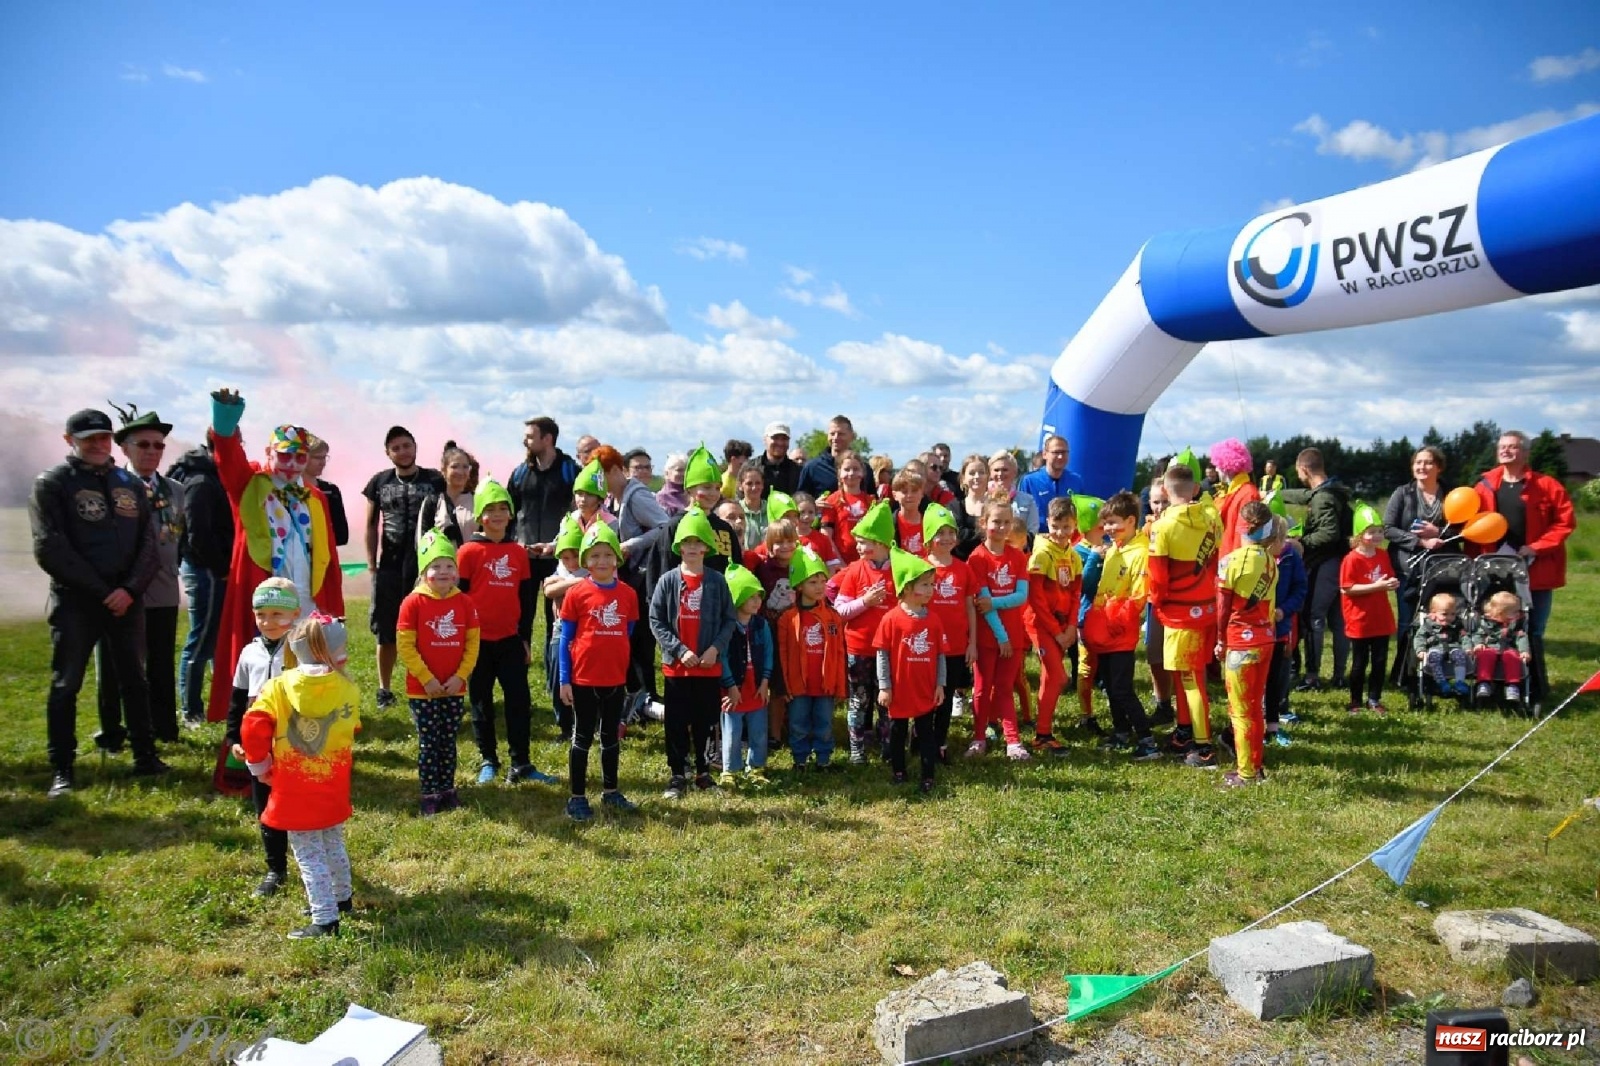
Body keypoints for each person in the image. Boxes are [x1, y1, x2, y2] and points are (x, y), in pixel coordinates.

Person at [31, 408, 165, 796]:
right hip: (77, 601)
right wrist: (102, 591)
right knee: (66, 683)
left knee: (134, 680)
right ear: (69, 440)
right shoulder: (53, 483)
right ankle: (63, 768)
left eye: (104, 437)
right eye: (89, 438)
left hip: (126, 599)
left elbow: (148, 545)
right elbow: (49, 547)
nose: (98, 444)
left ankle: (145, 757)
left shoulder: (129, 483)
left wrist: (129, 590)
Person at [206, 391, 344, 725]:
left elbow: (327, 556)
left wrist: (332, 605)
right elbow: (227, 456)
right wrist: (226, 416)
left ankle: (306, 727)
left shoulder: (314, 497)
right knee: (266, 664)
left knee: (309, 658)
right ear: (269, 453)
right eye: (284, 456)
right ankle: (261, 732)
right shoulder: (251, 484)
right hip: (267, 594)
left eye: (299, 457)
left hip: (307, 595)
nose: (292, 464)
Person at [239, 613, 361, 939]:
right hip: (333, 783)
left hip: (294, 788)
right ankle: (342, 898)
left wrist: (259, 766)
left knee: (308, 855)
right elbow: (353, 727)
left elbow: (253, 727)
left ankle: (325, 918)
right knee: (332, 842)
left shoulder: (278, 686)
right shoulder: (347, 687)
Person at [458, 476, 556, 787]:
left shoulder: (517, 553)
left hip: (510, 641)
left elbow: (526, 601)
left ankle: (522, 762)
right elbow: (458, 599)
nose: (498, 515)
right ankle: (489, 759)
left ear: (511, 513)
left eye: (503, 508)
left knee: (518, 702)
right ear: (480, 516)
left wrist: (525, 639)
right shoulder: (468, 552)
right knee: (481, 701)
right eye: (491, 510)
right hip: (478, 642)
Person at [96, 407, 184, 746]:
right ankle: (114, 731)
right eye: (143, 444)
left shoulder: (174, 489)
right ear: (125, 449)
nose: (151, 452)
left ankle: (163, 727)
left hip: (163, 588)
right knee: (116, 664)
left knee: (161, 662)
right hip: (123, 589)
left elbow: (178, 534)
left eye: (158, 446)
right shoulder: (111, 485)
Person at [557, 522, 642, 820]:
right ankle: (577, 797)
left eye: (608, 554)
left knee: (610, 737)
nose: (602, 561)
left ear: (617, 558)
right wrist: (564, 679)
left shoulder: (628, 595)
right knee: (582, 737)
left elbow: (626, 632)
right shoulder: (576, 593)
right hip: (582, 680)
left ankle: (611, 791)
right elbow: (566, 638)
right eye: (594, 556)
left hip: (614, 679)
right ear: (584, 561)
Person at [649, 508, 735, 799]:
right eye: (687, 542)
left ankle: (703, 771)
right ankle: (677, 773)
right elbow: (656, 621)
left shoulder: (717, 581)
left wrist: (714, 649)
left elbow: (728, 620)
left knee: (706, 720)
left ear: (707, 547)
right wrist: (678, 650)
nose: (693, 548)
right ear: (679, 547)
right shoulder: (667, 581)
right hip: (677, 667)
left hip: (708, 666)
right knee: (676, 721)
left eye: (699, 543)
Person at [223, 578, 300, 897]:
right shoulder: (248, 653)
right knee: (265, 807)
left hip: (294, 743)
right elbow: (237, 699)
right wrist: (233, 738)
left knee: (297, 804)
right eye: (262, 615)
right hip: (258, 746)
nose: (269, 622)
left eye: (277, 615)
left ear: (295, 614)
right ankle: (275, 868)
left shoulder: (301, 648)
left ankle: (313, 863)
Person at [397, 531, 481, 814]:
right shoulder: (412, 603)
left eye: (449, 566)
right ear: (424, 571)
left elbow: (472, 643)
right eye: (436, 566)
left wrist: (461, 676)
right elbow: (406, 646)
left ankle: (447, 788)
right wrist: (427, 679)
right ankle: (429, 792)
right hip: (423, 690)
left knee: (448, 741)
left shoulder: (465, 603)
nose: (443, 572)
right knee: (429, 742)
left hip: (454, 687)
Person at [1470, 430, 1576, 655]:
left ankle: (1534, 683)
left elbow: (1564, 524)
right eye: (1502, 447)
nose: (1506, 450)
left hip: (1535, 568)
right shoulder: (1484, 486)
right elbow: (1469, 523)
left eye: (1512, 446)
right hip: (1493, 567)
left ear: (1525, 453)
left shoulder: (1547, 485)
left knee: (1534, 628)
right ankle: (1495, 678)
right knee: (1493, 623)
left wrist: (1535, 548)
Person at [365, 425, 447, 708]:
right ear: (388, 453)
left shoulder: (435, 480)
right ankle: (384, 689)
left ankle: (426, 685)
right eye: (396, 448)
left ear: (415, 446)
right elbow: (370, 524)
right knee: (386, 630)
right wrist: (371, 565)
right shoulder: (379, 482)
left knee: (426, 628)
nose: (403, 451)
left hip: (425, 567)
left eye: (406, 445)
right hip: (389, 565)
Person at [1147, 463, 1220, 769]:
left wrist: (1156, 603)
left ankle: (1203, 747)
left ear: (1165, 490)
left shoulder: (1162, 526)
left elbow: (1157, 578)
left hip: (1178, 613)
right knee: (1184, 673)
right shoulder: (1212, 516)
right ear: (1195, 489)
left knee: (1191, 680)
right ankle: (1184, 730)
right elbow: (1216, 560)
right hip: (1207, 608)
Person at [1082, 491, 1161, 761]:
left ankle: (1148, 740)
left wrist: (1117, 622)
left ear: (1130, 521)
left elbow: (1139, 597)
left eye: (1114, 523)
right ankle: (1121, 731)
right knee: (1109, 685)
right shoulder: (1116, 548)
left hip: (1120, 633)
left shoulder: (1139, 553)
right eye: (1106, 524)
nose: (1108, 529)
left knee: (1122, 688)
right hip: (1104, 630)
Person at [168, 439, 233, 728]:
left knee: (216, 639)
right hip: (205, 570)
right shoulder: (201, 481)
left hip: (212, 569)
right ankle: (191, 708)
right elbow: (197, 534)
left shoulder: (210, 475)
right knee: (202, 639)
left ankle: (221, 700)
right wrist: (221, 569)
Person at [827, 500, 898, 764]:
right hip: (859, 648)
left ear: (882, 542)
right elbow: (840, 610)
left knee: (887, 701)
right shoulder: (855, 570)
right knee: (859, 701)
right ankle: (857, 750)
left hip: (889, 649)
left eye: (865, 541)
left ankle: (888, 748)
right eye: (857, 541)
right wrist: (865, 602)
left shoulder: (900, 570)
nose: (859, 547)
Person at [1215, 501, 1278, 788]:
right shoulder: (1270, 561)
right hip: (1266, 639)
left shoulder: (1231, 561)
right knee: (1255, 709)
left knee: (1240, 711)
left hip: (1240, 642)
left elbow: (1222, 609)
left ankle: (1246, 774)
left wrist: (1219, 640)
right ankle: (1256, 764)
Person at [966, 499, 1032, 760]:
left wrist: (994, 601)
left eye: (1007, 522)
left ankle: (1013, 741)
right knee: (982, 689)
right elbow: (983, 607)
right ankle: (979, 737)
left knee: (1005, 687)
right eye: (996, 522)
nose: (1002, 527)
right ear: (984, 524)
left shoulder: (1017, 557)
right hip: (987, 637)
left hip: (1014, 636)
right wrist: (1000, 636)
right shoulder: (977, 558)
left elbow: (1021, 597)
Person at [875, 548, 945, 793]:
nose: (930, 590)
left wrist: (940, 684)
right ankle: (899, 770)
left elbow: (940, 654)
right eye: (924, 585)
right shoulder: (891, 619)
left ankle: (928, 775)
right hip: (899, 690)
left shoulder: (934, 619)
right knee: (898, 732)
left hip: (925, 689)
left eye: (932, 585)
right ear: (906, 588)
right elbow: (882, 654)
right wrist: (884, 686)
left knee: (926, 733)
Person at [1284, 447, 1353, 692]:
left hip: (1325, 563)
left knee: (1314, 618)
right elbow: (1307, 495)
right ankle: (1339, 675)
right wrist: (1277, 494)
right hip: (1340, 562)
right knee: (1337, 622)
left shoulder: (1323, 498)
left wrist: (1300, 542)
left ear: (1304, 469)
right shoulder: (1332, 491)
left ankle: (1312, 677)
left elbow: (1328, 533)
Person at [1382, 445, 1456, 670]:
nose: (1422, 467)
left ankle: (1436, 667)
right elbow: (1387, 528)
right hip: (1407, 569)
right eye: (1418, 462)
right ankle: (1403, 670)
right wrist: (1421, 542)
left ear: (1439, 467)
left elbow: (1464, 530)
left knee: (1439, 619)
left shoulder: (1452, 495)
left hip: (1442, 570)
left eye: (1428, 462)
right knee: (1407, 620)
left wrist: (1440, 533)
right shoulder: (1402, 493)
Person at [775, 546, 847, 771]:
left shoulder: (833, 617)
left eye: (822, 581)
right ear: (799, 586)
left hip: (824, 685)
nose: (819, 587)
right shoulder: (788, 618)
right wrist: (785, 684)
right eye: (812, 582)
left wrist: (840, 685)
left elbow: (839, 652)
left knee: (824, 724)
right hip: (798, 686)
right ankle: (800, 759)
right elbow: (783, 653)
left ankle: (823, 759)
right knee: (798, 724)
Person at [509, 416, 580, 639]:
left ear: (547, 438)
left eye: (530, 436)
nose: (525, 441)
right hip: (525, 554)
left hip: (559, 554)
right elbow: (509, 510)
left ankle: (556, 657)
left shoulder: (570, 471)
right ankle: (522, 657)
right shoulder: (521, 473)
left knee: (557, 612)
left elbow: (579, 509)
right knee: (522, 611)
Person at [1025, 497, 1082, 755]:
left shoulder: (1074, 556)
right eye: (1056, 526)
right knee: (1059, 677)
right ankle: (1042, 731)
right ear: (1048, 522)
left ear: (1075, 526)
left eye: (1066, 527)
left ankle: (1043, 734)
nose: (1060, 533)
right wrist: (1058, 632)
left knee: (1050, 678)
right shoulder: (1041, 554)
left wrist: (1071, 627)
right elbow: (1036, 600)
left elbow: (1074, 595)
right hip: (1041, 625)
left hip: (1061, 627)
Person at [923, 503, 977, 763]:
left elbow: (969, 608)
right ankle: (921, 737)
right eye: (939, 533)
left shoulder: (963, 568)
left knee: (944, 699)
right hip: (925, 646)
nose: (946, 538)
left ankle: (940, 742)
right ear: (928, 537)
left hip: (955, 646)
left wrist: (972, 643)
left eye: (950, 532)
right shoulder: (919, 567)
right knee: (924, 696)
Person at [718, 564, 774, 787]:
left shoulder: (762, 625)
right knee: (732, 731)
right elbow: (721, 657)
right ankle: (730, 769)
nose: (756, 602)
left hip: (756, 687)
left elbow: (769, 653)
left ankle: (756, 767)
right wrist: (730, 686)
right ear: (737, 598)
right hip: (734, 690)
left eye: (758, 596)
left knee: (759, 730)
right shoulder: (727, 628)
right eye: (750, 597)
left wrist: (765, 681)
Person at [1339, 507, 1399, 715]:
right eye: (1371, 532)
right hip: (1360, 619)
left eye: (1380, 531)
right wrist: (1378, 586)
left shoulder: (1382, 555)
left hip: (1381, 618)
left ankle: (1374, 699)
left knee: (1380, 661)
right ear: (1359, 535)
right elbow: (1348, 588)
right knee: (1359, 662)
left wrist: (1391, 582)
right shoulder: (1351, 559)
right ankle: (1355, 700)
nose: (1377, 536)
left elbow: (1387, 577)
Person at [541, 516, 588, 738]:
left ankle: (584, 721)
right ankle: (564, 725)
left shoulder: (591, 570)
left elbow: (553, 589)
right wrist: (579, 582)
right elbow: (548, 590)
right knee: (558, 675)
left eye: (575, 556)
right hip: (561, 629)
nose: (571, 562)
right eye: (565, 557)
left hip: (585, 632)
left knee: (583, 678)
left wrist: (562, 587)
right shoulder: (568, 573)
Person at [1265, 517, 1307, 746]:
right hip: (1255, 631)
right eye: (1278, 540)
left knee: (1277, 679)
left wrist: (1285, 610)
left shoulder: (1291, 557)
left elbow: (1300, 588)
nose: (1283, 544)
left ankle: (1273, 725)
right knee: (1256, 681)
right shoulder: (1256, 558)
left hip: (1281, 628)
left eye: (1284, 539)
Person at [1141, 476, 1176, 724]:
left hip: (1177, 600)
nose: (1160, 507)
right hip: (1153, 599)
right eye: (1155, 502)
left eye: (1164, 501)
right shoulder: (1146, 529)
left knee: (1176, 657)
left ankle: (1179, 706)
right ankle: (1163, 703)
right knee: (1155, 654)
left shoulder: (1179, 526)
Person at [1469, 591, 1531, 701]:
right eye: (1514, 612)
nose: (1518, 614)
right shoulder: (1486, 623)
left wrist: (1524, 651)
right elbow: (1478, 634)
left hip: (1508, 648)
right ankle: (1483, 683)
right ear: (1501, 613)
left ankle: (1512, 686)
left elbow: (1521, 638)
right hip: (1490, 647)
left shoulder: (1515, 625)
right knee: (1485, 655)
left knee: (1512, 657)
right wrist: (1479, 644)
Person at [1018, 435, 1084, 533]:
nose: (1060, 456)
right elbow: (1021, 516)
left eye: (1064, 452)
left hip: (1067, 540)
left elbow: (1081, 514)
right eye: (1056, 452)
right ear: (1045, 454)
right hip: (1037, 540)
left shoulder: (1076, 481)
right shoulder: (1029, 481)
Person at [418, 442, 478, 546]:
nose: (460, 472)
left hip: (473, 561)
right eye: (455, 467)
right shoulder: (432, 502)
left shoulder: (477, 501)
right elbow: (421, 541)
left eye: (465, 467)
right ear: (443, 470)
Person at [1210, 437, 1260, 558]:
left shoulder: (1248, 494)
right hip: (1227, 560)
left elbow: (1245, 535)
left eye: (1218, 465)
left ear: (1227, 465)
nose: (1216, 469)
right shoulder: (1235, 491)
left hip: (1235, 563)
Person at [821, 452, 874, 565]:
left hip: (866, 562)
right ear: (839, 473)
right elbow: (826, 536)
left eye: (856, 469)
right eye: (847, 469)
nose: (851, 473)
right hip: (840, 562)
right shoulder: (831, 500)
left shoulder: (871, 502)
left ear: (863, 473)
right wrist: (839, 562)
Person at [1414, 592, 1470, 697]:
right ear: (1433, 614)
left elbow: (1464, 637)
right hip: (1435, 647)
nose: (1449, 617)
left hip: (1453, 646)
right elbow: (1419, 637)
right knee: (1434, 657)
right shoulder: (1428, 625)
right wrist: (1420, 650)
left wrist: (1467, 648)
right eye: (1444, 614)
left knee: (1460, 655)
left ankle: (1460, 682)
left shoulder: (1457, 625)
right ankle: (1441, 682)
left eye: (1452, 614)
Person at [797, 415, 857, 497]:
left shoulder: (862, 469)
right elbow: (800, 500)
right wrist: (814, 504)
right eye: (832, 434)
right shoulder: (812, 467)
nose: (835, 438)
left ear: (852, 436)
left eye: (841, 434)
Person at [304, 434, 348, 546]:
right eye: (318, 458)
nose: (322, 462)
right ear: (303, 458)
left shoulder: (331, 491)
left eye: (324, 457)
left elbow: (342, 536)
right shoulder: (289, 490)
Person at [986, 451, 1039, 535]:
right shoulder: (983, 499)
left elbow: (1033, 531)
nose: (1000, 474)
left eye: (1005, 470)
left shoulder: (1028, 500)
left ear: (1014, 472)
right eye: (996, 470)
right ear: (990, 473)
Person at [755, 422, 801, 497]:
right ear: (764, 440)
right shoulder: (751, 467)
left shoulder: (798, 471)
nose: (780, 443)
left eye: (784, 439)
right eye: (775, 438)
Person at [736, 465, 769, 551]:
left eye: (758, 483)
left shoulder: (771, 509)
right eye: (749, 483)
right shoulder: (735, 510)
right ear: (741, 486)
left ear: (762, 485)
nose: (754, 487)